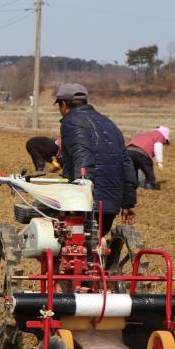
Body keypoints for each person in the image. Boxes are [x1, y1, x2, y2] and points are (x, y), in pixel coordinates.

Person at [55, 83, 137, 236]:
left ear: (64, 105)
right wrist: (129, 202)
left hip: (88, 203)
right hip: (111, 204)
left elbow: (82, 155)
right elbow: (126, 162)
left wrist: (81, 192)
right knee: (92, 250)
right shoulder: (108, 123)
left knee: (68, 243)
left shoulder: (71, 121)